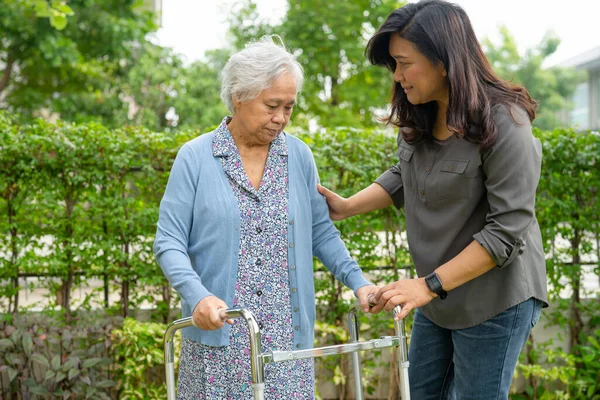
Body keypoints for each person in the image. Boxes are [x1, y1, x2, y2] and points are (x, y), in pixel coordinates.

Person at [317, 1, 548, 399]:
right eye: (394, 64)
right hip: (438, 295)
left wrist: (427, 285)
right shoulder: (424, 113)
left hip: (494, 298)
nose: (398, 76)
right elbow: (403, 175)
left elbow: (506, 232)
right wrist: (347, 206)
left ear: (444, 59)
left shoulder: (506, 122)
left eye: (405, 63)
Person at [153, 36, 378, 399]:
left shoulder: (299, 157)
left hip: (286, 345)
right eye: (272, 105)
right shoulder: (195, 158)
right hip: (218, 342)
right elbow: (169, 242)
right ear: (239, 95)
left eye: (289, 107)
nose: (281, 118)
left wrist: (359, 282)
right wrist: (197, 297)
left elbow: (321, 234)